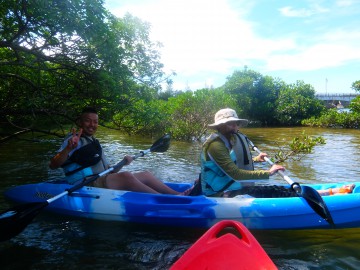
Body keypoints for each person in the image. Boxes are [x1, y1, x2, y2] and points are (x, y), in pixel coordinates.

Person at [200, 108, 355, 198]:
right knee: (274, 191)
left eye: (235, 122)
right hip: (221, 194)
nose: (235, 126)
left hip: (232, 188)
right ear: (220, 126)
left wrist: (256, 159)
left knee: (276, 189)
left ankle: (328, 192)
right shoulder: (216, 145)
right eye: (230, 123)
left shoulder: (228, 140)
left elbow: (228, 164)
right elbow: (236, 174)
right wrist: (268, 172)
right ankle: (331, 193)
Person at [49, 107, 191, 195]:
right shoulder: (73, 140)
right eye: (88, 121)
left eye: (95, 121)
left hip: (101, 179)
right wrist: (68, 148)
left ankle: (176, 195)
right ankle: (165, 200)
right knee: (127, 177)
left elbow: (110, 172)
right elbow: (53, 165)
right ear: (80, 122)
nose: (92, 125)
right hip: (85, 184)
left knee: (146, 174)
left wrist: (123, 163)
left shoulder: (94, 142)